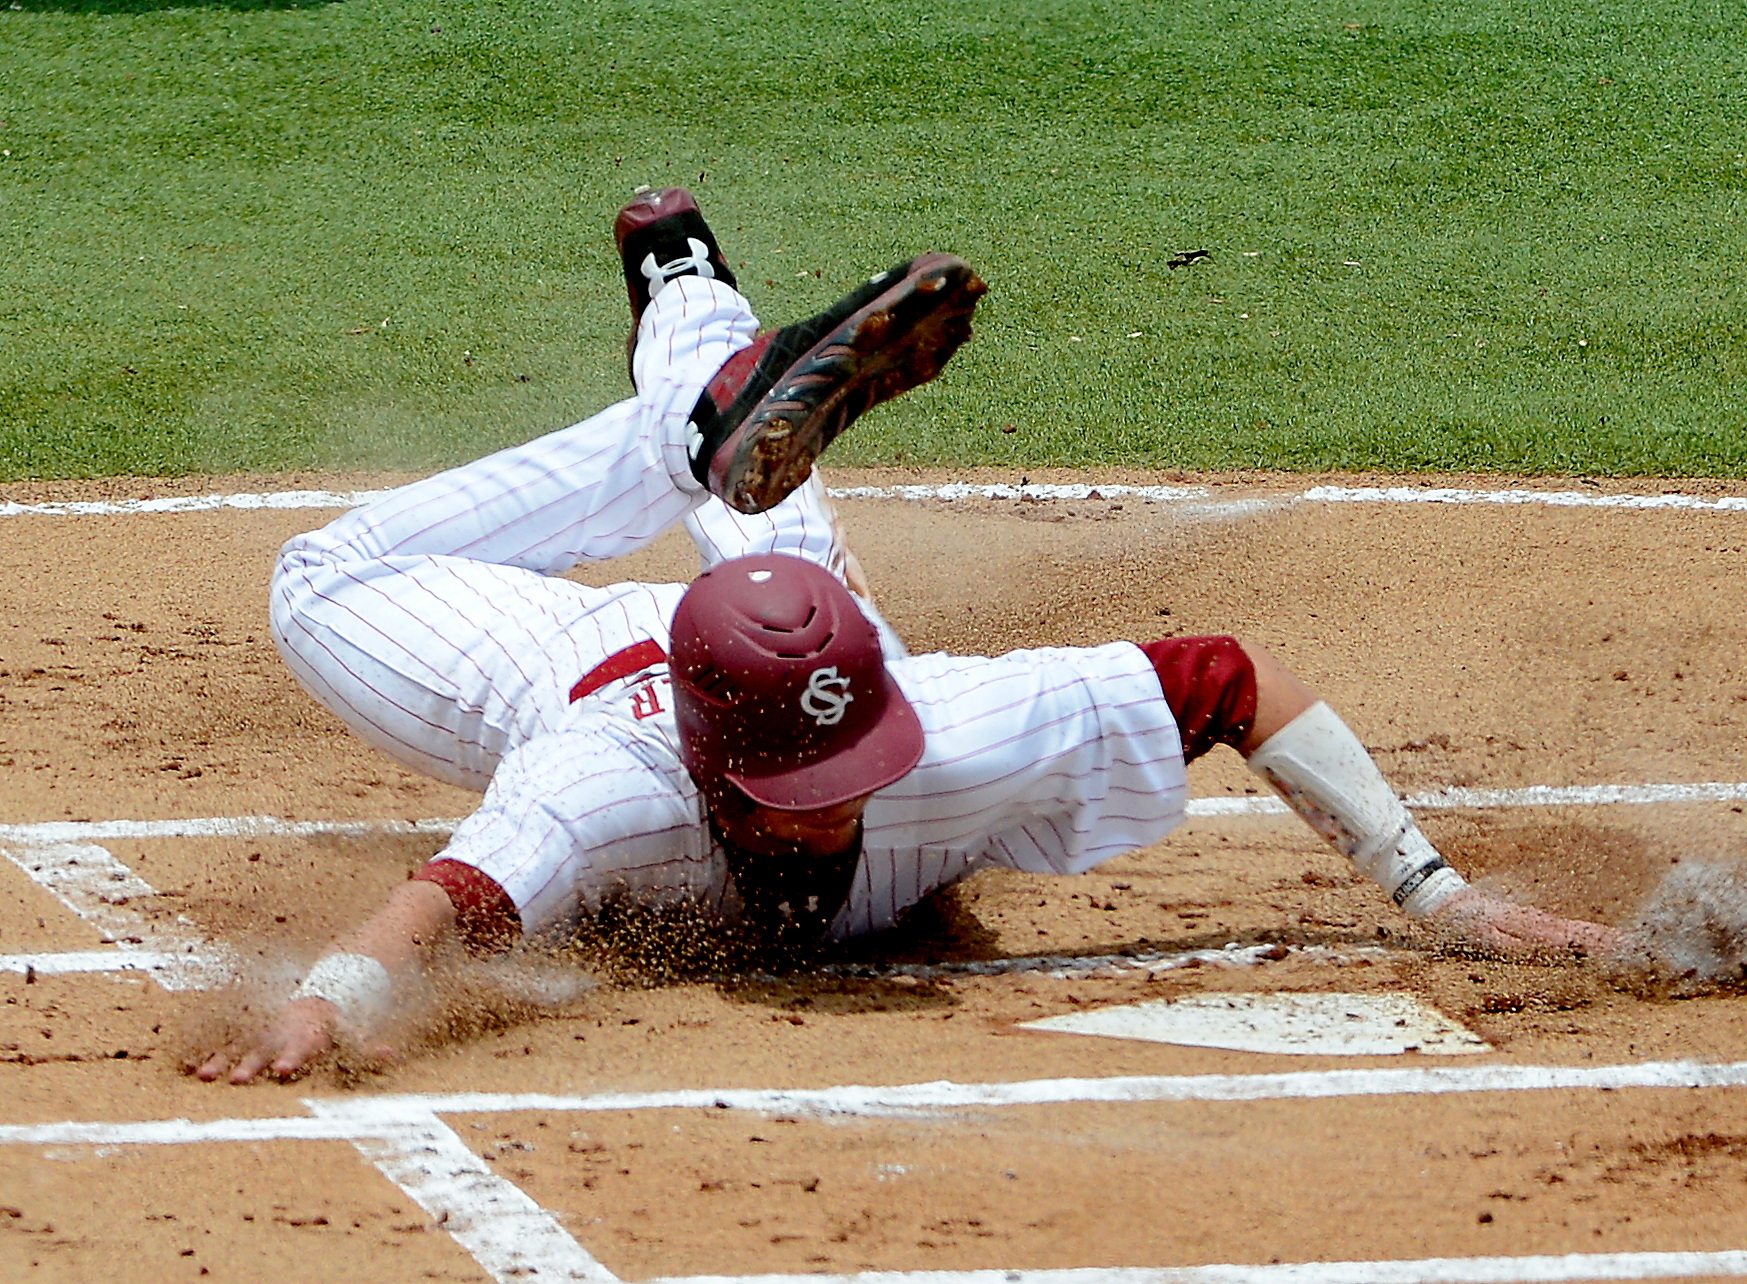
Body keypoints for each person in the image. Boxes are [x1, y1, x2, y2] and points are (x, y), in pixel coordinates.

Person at [196, 189, 1622, 1085]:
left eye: (848, 781)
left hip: (792, 630)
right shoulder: (590, 789)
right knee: (318, 575)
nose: (837, 817)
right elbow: (441, 903)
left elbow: (1225, 679)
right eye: (802, 799)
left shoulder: (927, 732)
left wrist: (1440, 897)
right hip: (561, 672)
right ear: (713, 775)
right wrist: (327, 1000)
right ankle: (691, 419)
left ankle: (701, 382)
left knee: (775, 520)